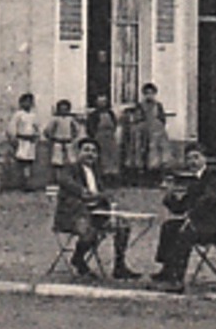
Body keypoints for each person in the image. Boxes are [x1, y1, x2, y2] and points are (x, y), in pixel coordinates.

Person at [53, 137, 141, 280]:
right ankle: (78, 259)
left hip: (96, 213)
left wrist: (107, 200)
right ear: (78, 152)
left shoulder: (96, 172)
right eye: (86, 150)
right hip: (73, 214)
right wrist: (84, 192)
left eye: (94, 151)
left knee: (123, 226)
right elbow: (66, 182)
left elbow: (102, 194)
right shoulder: (70, 169)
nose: (90, 154)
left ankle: (119, 266)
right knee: (90, 230)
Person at [151, 141, 216, 291]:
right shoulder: (194, 182)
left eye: (196, 157)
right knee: (169, 227)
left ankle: (177, 280)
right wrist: (169, 194)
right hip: (200, 224)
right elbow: (180, 209)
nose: (193, 162)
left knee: (185, 233)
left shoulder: (214, 177)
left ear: (205, 159)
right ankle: (167, 270)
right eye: (189, 159)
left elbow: (209, 199)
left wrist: (192, 214)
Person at [133, 83, 168, 185]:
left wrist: (159, 128)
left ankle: (157, 179)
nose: (149, 95)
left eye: (151, 93)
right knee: (143, 155)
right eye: (147, 93)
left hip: (157, 134)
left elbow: (162, 119)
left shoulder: (158, 106)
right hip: (144, 133)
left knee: (157, 156)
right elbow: (137, 119)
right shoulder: (140, 106)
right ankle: (145, 179)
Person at [6, 93, 41, 191]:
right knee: (21, 162)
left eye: (30, 102)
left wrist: (36, 136)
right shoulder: (18, 115)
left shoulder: (33, 116)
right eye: (26, 102)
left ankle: (28, 184)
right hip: (22, 141)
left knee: (29, 163)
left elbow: (37, 128)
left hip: (30, 142)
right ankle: (19, 183)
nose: (28, 104)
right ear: (21, 103)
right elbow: (12, 128)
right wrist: (14, 139)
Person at [85, 94, 121, 184]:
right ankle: (101, 179)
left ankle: (112, 178)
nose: (102, 104)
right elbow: (90, 127)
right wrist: (93, 136)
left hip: (110, 137)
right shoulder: (94, 115)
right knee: (101, 158)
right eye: (100, 102)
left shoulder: (110, 113)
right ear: (96, 103)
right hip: (99, 137)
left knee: (112, 157)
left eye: (104, 102)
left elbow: (115, 124)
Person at [42, 99, 80, 185]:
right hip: (57, 143)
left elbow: (77, 130)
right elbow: (47, 131)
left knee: (72, 162)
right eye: (62, 109)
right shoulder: (55, 119)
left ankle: (71, 180)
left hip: (68, 143)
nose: (64, 111)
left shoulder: (71, 119)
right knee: (57, 163)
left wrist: (73, 137)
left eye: (66, 109)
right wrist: (52, 138)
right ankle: (57, 180)